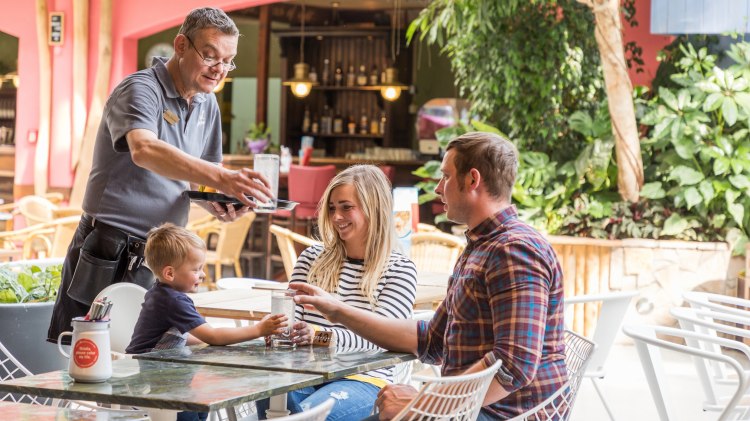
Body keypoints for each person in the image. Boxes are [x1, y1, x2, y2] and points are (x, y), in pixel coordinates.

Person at [291, 132, 566, 420]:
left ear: (472, 180)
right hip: (470, 408)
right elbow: (432, 341)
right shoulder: (481, 247)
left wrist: (425, 404)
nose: (437, 188)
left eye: (445, 177)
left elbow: (513, 365)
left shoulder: (514, 250)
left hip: (501, 414)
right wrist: (338, 311)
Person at [48, 7, 273, 344]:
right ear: (181, 45)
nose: (220, 69)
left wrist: (219, 203)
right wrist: (223, 178)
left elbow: (199, 180)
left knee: (153, 358)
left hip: (166, 256)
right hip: (111, 245)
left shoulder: (206, 104)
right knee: (88, 355)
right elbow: (144, 150)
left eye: (228, 61)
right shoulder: (140, 89)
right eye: (211, 56)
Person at [256, 165, 418, 421]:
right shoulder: (311, 258)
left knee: (303, 415)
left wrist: (320, 337)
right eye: (332, 208)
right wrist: (277, 329)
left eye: (346, 207)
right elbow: (290, 314)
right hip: (302, 373)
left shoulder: (399, 269)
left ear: (373, 208)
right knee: (266, 392)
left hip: (363, 378)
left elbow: (384, 338)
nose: (336, 216)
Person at [127, 223, 285, 421]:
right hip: (154, 379)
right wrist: (259, 329)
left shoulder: (160, 292)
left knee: (201, 404)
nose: (202, 274)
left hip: (156, 373)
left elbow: (183, 336)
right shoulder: (174, 300)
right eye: (196, 269)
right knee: (194, 408)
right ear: (170, 273)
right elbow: (213, 336)